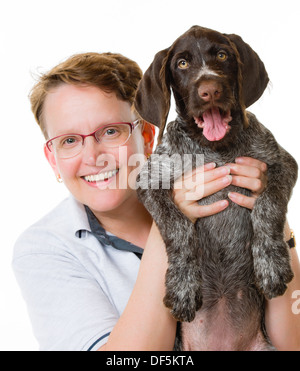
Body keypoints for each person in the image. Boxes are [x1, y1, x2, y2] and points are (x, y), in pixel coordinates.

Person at [13, 52, 300, 351]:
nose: (93, 158)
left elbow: (293, 343)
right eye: (69, 141)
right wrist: (172, 223)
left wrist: (272, 214)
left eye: (111, 132)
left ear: (149, 136)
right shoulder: (43, 249)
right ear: (53, 158)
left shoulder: (216, 195)